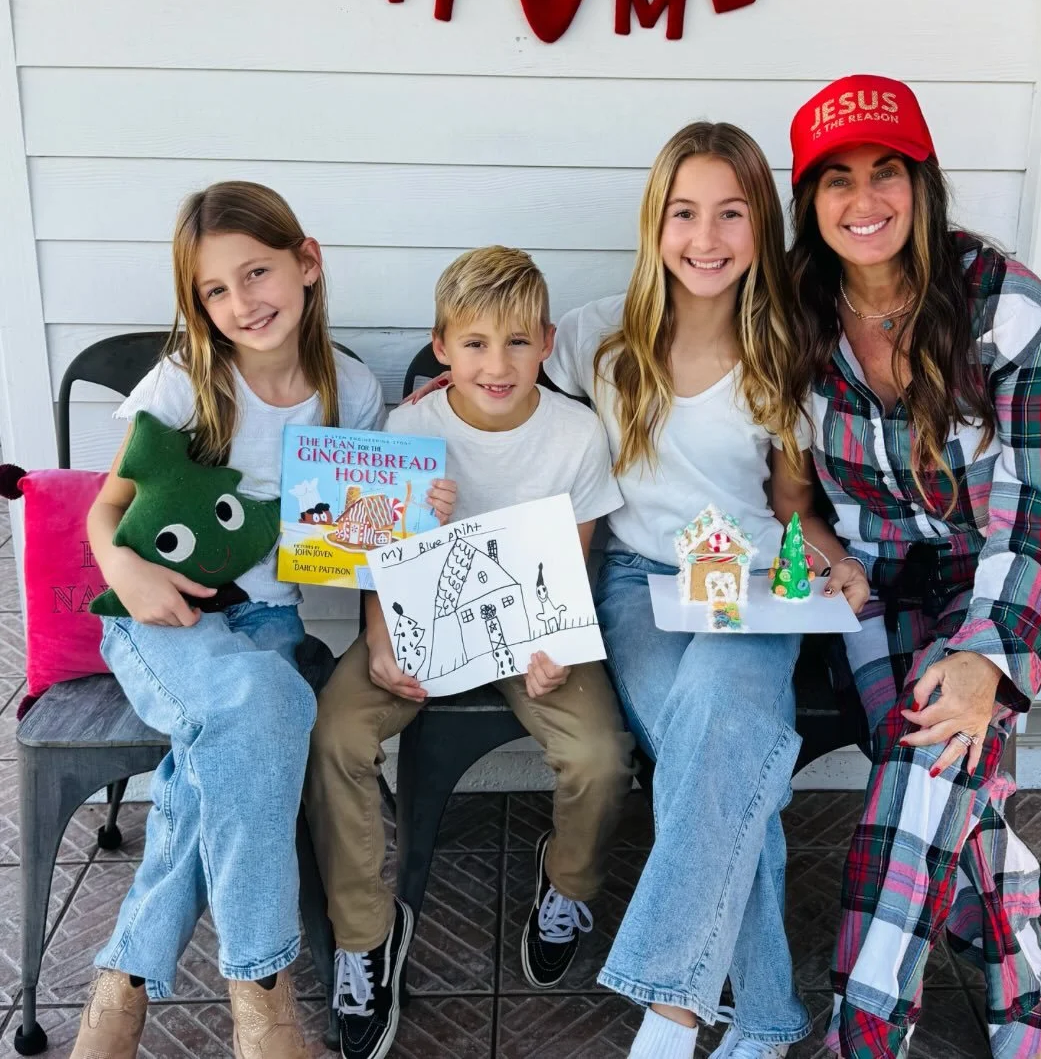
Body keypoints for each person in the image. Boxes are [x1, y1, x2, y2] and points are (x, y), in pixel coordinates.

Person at [69, 181, 428, 1059]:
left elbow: (365, 531)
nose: (241, 304)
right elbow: (104, 511)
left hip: (266, 623)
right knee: (269, 708)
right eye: (214, 291)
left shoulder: (348, 388)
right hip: (161, 617)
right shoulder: (190, 381)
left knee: (223, 756)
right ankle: (262, 1001)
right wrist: (128, 572)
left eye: (257, 273)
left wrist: (415, 482)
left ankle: (120, 983)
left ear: (308, 262)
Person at [543, 123, 868, 1059]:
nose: (707, 236)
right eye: (685, 212)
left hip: (755, 590)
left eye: (732, 213)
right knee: (725, 763)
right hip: (641, 587)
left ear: (762, 228)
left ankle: (672, 1014)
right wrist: (441, 399)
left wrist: (833, 561)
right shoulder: (597, 337)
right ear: (656, 223)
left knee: (719, 738)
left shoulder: (789, 352)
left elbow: (793, 507)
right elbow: (502, 391)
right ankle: (759, 1020)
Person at [786, 75, 1041, 1059]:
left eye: (886, 173)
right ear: (808, 199)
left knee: (933, 742)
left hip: (999, 570)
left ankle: (864, 1035)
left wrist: (987, 655)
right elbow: (780, 473)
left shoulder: (1004, 301)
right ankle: (1026, 975)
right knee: (948, 777)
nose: (864, 201)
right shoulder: (793, 309)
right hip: (868, 582)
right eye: (836, 179)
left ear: (924, 184)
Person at [305, 245, 636, 1059]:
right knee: (336, 735)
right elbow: (376, 555)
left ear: (548, 343)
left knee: (600, 753)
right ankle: (364, 937)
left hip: (530, 634)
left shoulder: (577, 434)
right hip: (420, 626)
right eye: (477, 343)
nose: (497, 364)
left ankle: (565, 887)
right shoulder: (409, 425)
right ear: (442, 345)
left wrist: (556, 645)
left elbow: (579, 557)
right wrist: (378, 633)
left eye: (518, 343)